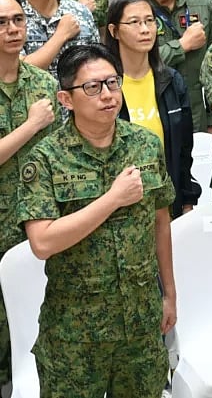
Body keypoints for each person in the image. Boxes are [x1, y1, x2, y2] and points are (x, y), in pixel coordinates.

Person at [18, 43, 176, 397]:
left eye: (112, 83)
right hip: (76, 333)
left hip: (140, 323)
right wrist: (112, 200)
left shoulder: (145, 145)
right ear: (66, 99)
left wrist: (170, 295)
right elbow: (42, 243)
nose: (107, 95)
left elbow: (160, 220)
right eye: (92, 87)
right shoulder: (46, 158)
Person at [0, 0, 59, 388]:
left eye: (18, 20)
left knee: (36, 309)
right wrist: (31, 124)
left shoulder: (42, 81)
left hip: (38, 216)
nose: (12, 29)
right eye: (2, 23)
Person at [107, 0, 198, 217]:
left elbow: (184, 149)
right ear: (114, 31)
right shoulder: (105, 86)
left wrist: (187, 200)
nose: (146, 29)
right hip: (119, 210)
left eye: (149, 21)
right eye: (134, 22)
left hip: (167, 203)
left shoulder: (171, 81)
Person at [133, 0, 212, 132]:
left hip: (197, 111)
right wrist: (181, 46)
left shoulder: (200, 2)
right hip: (150, 112)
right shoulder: (129, 9)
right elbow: (134, 62)